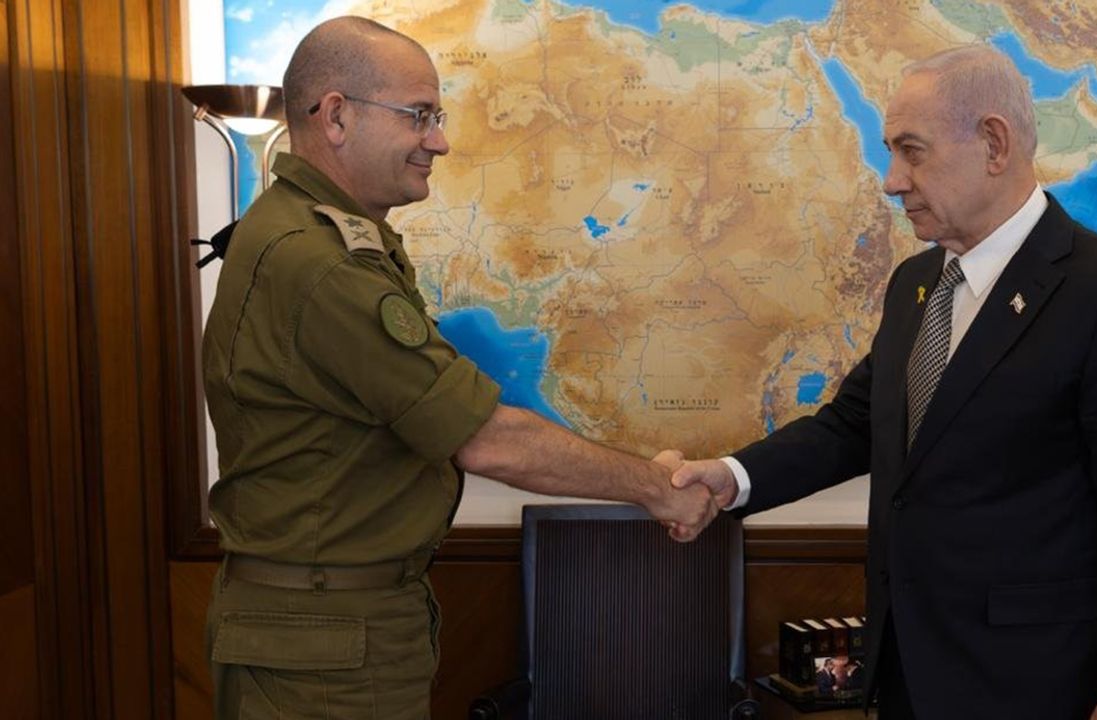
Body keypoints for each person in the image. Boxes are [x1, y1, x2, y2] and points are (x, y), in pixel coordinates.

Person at [665, 45, 1097, 720]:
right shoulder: (916, 284)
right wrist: (731, 477)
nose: (891, 181)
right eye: (891, 153)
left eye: (912, 152)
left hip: (1039, 688)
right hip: (907, 675)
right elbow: (855, 424)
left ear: (993, 143)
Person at [201, 16, 716, 720]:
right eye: (418, 116)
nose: (438, 141)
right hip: (322, 645)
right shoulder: (318, 263)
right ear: (337, 116)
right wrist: (659, 488)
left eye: (435, 118)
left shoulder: (324, 239)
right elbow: (485, 439)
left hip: (337, 627)